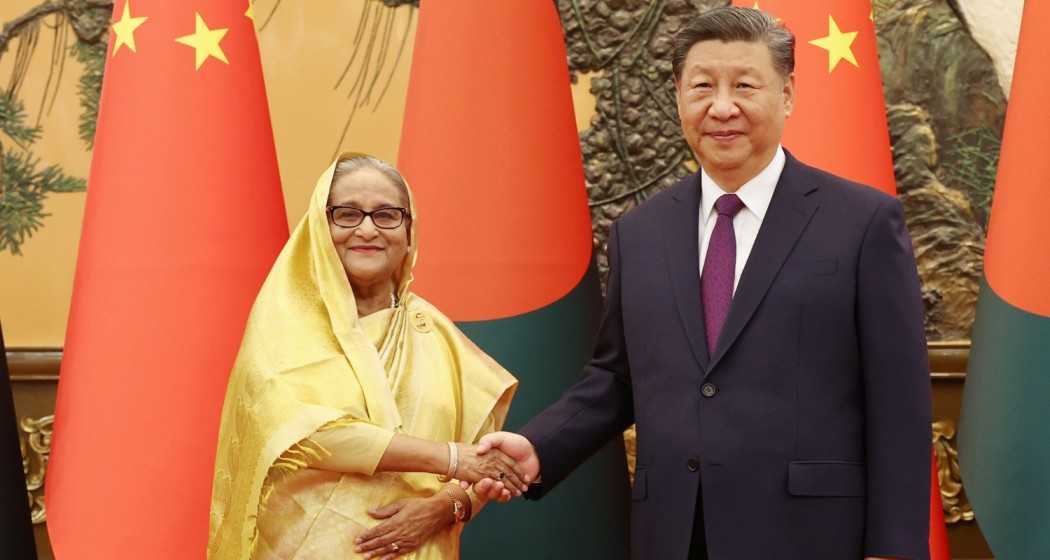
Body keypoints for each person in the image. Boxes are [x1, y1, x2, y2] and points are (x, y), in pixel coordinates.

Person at [476, 7, 931, 560]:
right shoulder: (640, 232)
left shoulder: (862, 221)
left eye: (744, 85)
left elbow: (899, 397)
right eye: (702, 86)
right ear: (678, 97)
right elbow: (617, 377)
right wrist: (537, 446)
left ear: (786, 95)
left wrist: (896, 546)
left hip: (812, 534)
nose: (722, 107)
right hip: (674, 532)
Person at [208, 154, 527, 560]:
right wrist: (449, 459)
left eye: (386, 215)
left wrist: (445, 507)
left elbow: (481, 460)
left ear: (409, 232)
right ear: (320, 228)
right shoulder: (284, 322)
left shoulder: (437, 335)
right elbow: (305, 434)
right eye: (347, 214)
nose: (367, 229)